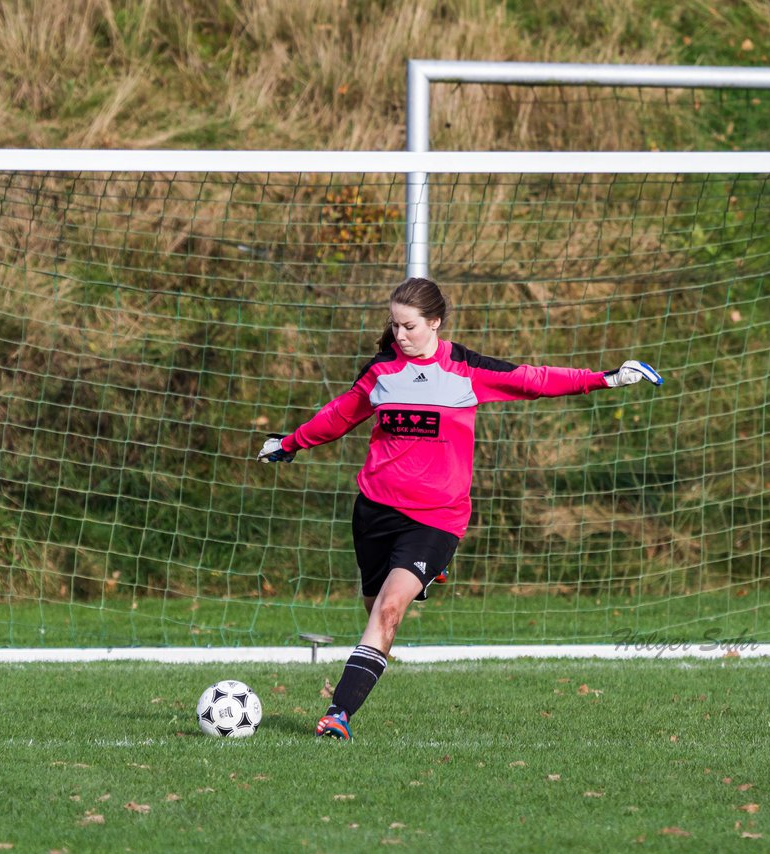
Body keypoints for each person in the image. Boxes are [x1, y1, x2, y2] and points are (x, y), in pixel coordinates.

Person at [257, 277, 662, 740]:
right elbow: (341, 413)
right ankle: (426, 575)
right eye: (394, 326)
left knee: (388, 611)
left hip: (437, 516)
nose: (399, 336)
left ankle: (338, 714)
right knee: (373, 607)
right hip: (374, 510)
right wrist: (290, 443)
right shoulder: (381, 371)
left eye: (408, 326)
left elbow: (533, 379)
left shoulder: (465, 368)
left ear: (435, 323)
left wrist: (605, 378)